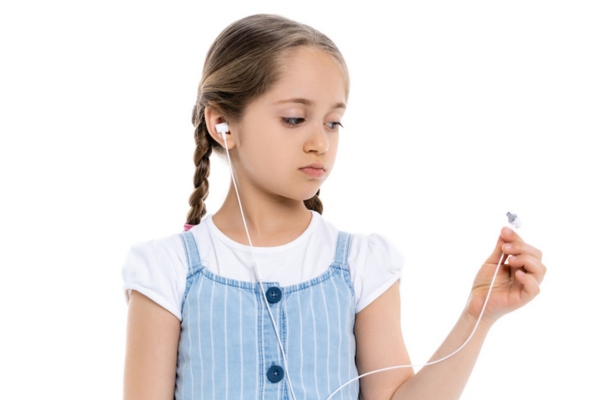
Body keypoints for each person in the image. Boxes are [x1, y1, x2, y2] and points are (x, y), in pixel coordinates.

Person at [122, 14, 546, 400]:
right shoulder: (167, 271)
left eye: (333, 122)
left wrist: (478, 317)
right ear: (223, 125)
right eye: (293, 118)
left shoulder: (360, 265)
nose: (320, 142)